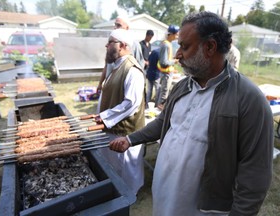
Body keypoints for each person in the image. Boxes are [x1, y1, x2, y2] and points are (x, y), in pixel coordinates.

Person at [109, 11, 274, 216]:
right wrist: (130, 139)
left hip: (205, 210)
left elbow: (255, 174)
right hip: (164, 197)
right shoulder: (182, 87)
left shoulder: (249, 100)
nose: (177, 55)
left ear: (210, 47)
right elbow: (163, 123)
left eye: (185, 47)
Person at [95, 28, 146, 195]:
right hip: (112, 130)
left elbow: (131, 103)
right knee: (114, 169)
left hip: (123, 133)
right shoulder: (117, 66)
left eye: (110, 42)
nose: (106, 45)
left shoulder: (132, 70)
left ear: (123, 45)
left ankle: (128, 197)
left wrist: (104, 117)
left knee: (127, 172)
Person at [97, 16, 145, 93]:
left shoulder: (134, 44)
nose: (115, 27)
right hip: (109, 87)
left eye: (118, 25)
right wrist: (100, 83)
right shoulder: (112, 44)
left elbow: (139, 67)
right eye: (115, 25)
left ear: (127, 28)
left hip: (122, 91)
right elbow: (107, 65)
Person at [157, 25, 180, 110]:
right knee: (163, 95)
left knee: (162, 93)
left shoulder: (168, 44)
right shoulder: (166, 45)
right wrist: (175, 61)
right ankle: (159, 115)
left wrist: (173, 59)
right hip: (166, 74)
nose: (177, 36)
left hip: (167, 73)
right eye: (176, 34)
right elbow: (164, 62)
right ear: (171, 34)